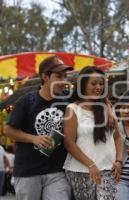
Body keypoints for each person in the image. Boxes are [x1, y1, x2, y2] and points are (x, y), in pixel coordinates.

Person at [4, 56, 73, 200]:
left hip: (57, 170)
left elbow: (92, 97)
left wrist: (109, 110)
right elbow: (8, 130)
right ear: (45, 77)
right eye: (58, 76)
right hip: (28, 171)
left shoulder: (68, 97)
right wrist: (33, 138)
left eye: (65, 76)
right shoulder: (26, 101)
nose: (64, 81)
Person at [63, 66, 123, 200]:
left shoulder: (108, 108)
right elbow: (69, 142)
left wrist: (119, 161)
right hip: (80, 170)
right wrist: (90, 164)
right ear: (83, 85)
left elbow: (118, 138)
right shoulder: (72, 109)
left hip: (109, 169)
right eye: (94, 83)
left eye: (101, 83)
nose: (98, 87)